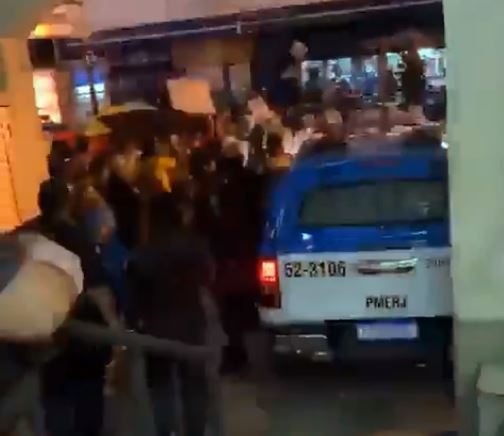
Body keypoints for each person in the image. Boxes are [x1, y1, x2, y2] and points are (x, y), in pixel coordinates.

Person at [127, 193, 213, 436]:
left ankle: (167, 432)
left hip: (155, 325)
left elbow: (134, 292)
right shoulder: (195, 245)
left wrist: (134, 323)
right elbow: (207, 277)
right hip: (190, 323)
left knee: (161, 387)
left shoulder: (143, 252)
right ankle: (195, 431)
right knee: (194, 385)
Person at [36, 179, 116, 436]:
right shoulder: (78, 238)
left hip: (45, 328)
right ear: (66, 203)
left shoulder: (32, 237)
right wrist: (111, 325)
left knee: (55, 396)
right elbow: (96, 286)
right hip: (80, 326)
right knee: (87, 393)